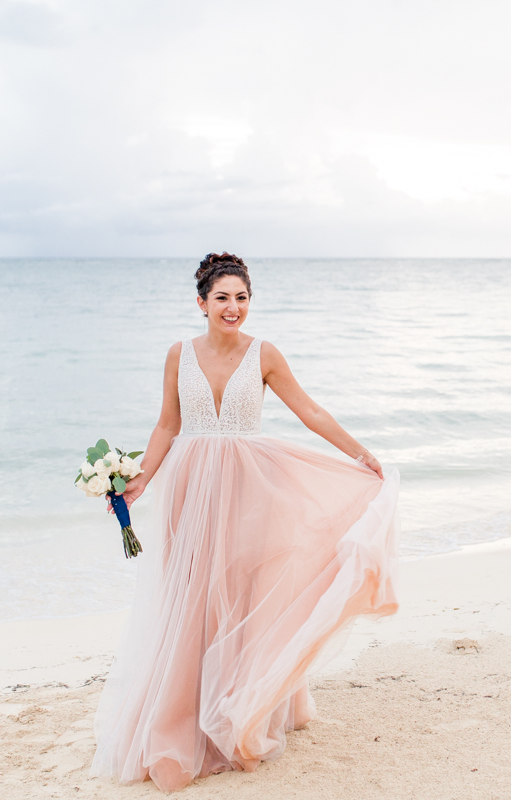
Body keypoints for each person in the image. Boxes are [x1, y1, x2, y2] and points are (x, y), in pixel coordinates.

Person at [91, 253, 400, 791]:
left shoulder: (265, 354)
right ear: (201, 304)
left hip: (248, 486)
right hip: (190, 486)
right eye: (221, 298)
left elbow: (311, 412)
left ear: (249, 302)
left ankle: (242, 707)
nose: (232, 308)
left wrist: (360, 453)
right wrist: (138, 479)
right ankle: (183, 715)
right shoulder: (178, 355)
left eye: (241, 298)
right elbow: (167, 425)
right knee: (189, 595)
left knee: (239, 589)